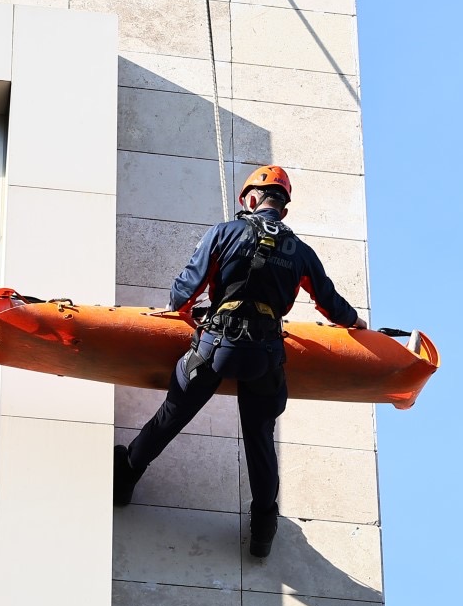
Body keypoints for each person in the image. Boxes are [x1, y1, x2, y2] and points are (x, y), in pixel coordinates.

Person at [114, 165, 367, 558]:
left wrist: (177, 310)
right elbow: (329, 302)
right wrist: (356, 322)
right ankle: (264, 527)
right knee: (260, 439)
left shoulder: (224, 232)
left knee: (173, 413)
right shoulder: (301, 252)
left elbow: (185, 288)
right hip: (265, 358)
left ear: (250, 200)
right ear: (282, 209)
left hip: (216, 347)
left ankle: (126, 475)